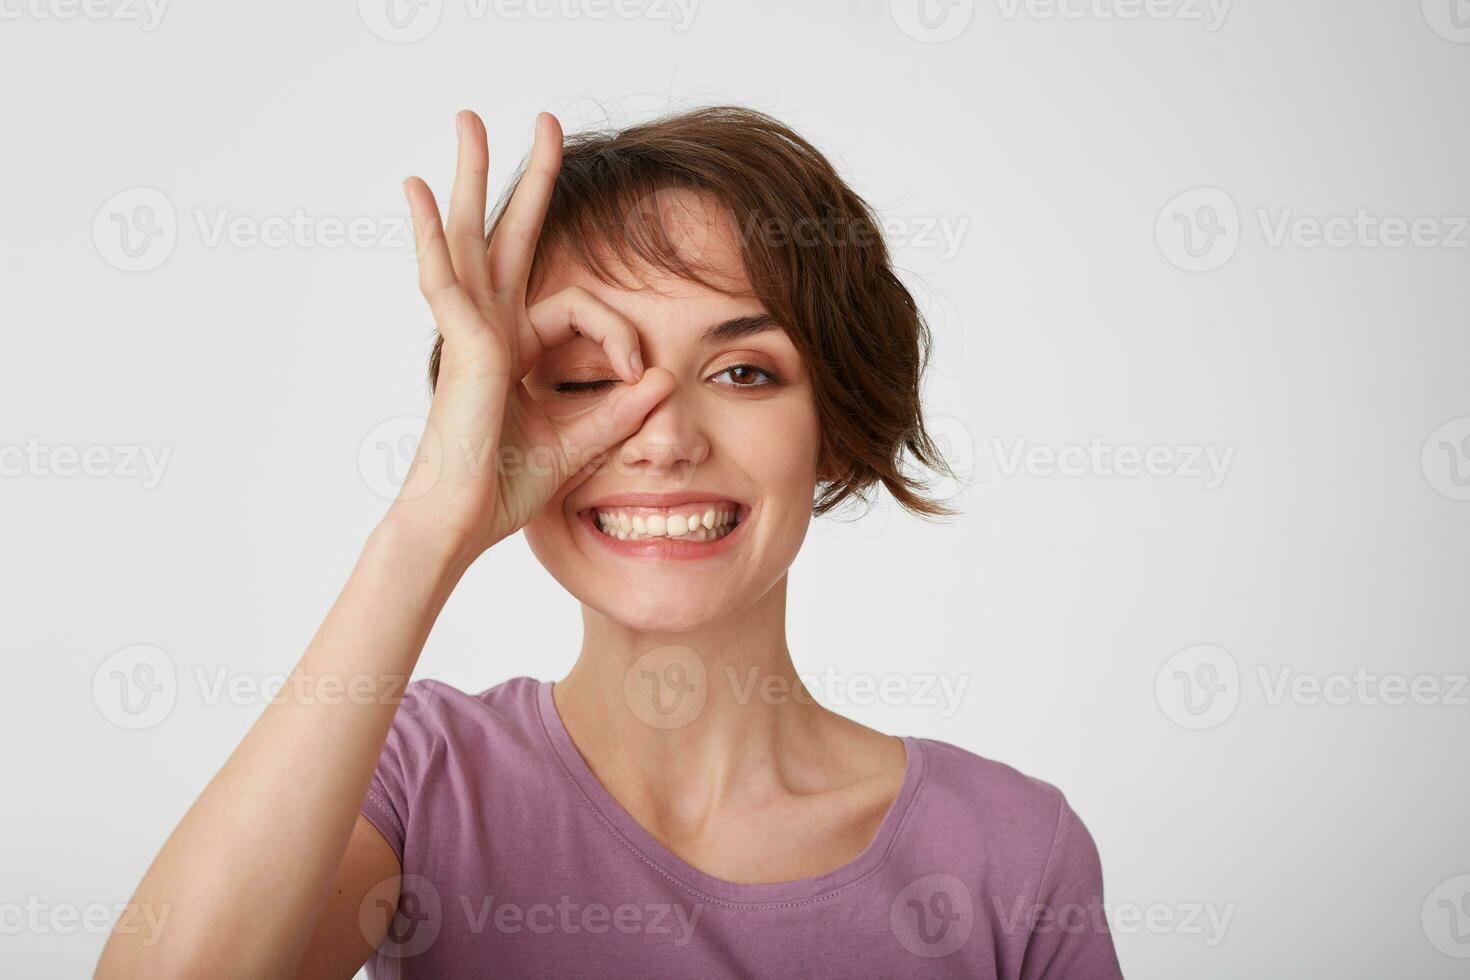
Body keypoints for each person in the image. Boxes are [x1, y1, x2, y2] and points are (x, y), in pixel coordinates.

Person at [97, 105, 1124, 979]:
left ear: (837, 425)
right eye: (586, 379)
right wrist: (426, 525)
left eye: (743, 373)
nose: (667, 438)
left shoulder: (1013, 852)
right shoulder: (417, 777)